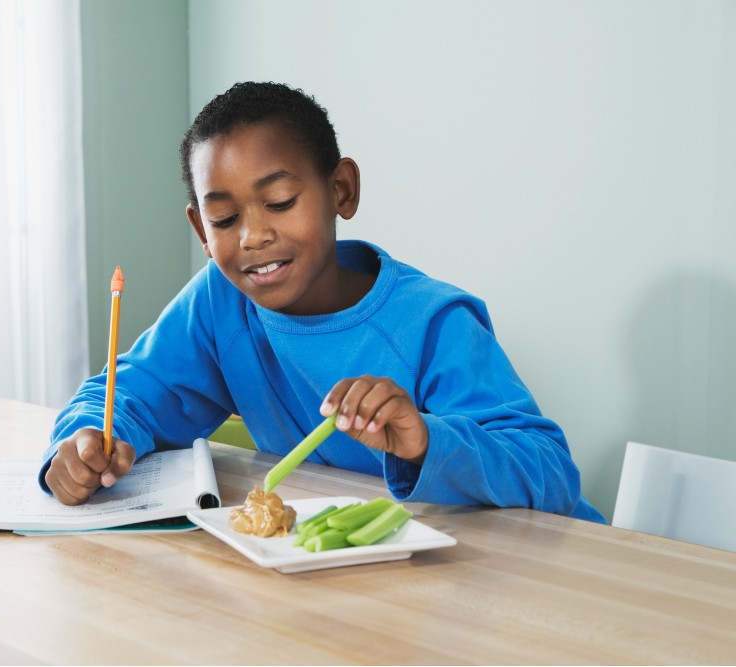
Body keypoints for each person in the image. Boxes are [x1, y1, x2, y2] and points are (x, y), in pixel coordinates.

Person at [40, 81, 605, 523]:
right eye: (224, 219)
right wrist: (86, 441)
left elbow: (551, 473)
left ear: (342, 191)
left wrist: (424, 444)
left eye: (281, 201)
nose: (253, 237)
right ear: (200, 230)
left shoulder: (433, 322)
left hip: (537, 576)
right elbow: (129, 392)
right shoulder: (219, 303)